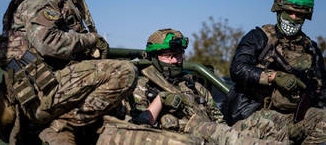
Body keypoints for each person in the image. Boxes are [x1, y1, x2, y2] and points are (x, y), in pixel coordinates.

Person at [0, 0, 137, 145]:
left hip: (55, 89)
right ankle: (62, 124)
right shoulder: (42, 0)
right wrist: (90, 39)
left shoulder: (66, 4)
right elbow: (48, 43)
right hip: (40, 94)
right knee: (124, 72)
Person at [113, 28, 288, 145]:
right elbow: (141, 126)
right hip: (179, 137)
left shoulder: (193, 84)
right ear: (154, 57)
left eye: (179, 55)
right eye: (169, 56)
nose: (176, 60)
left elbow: (219, 121)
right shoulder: (141, 85)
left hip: (213, 133)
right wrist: (161, 99)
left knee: (270, 121)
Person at [223, 0, 326, 144]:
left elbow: (323, 85)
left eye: (299, 15)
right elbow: (238, 68)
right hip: (257, 112)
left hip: (295, 115)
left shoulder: (311, 48)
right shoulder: (259, 37)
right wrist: (273, 77)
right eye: (290, 12)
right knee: (275, 125)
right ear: (279, 11)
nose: (294, 18)